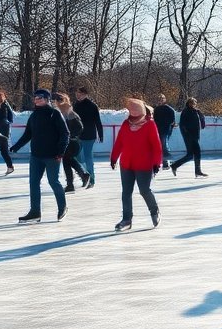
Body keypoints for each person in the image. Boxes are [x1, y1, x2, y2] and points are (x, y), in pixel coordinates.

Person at [10, 88, 70, 224]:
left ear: (47, 99)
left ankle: (62, 207)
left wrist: (60, 152)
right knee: (33, 183)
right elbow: (28, 134)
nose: (37, 100)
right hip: (36, 155)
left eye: (40, 97)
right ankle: (35, 212)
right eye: (35, 98)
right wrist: (16, 146)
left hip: (52, 156)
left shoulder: (54, 114)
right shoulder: (34, 115)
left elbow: (65, 134)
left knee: (53, 181)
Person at [111, 96, 162, 231]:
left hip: (144, 164)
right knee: (126, 192)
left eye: (135, 110)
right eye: (130, 110)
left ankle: (154, 211)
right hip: (127, 164)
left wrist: (157, 163)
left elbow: (156, 146)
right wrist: (114, 157)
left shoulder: (150, 124)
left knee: (144, 190)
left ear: (141, 110)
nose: (132, 113)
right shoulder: (126, 124)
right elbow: (119, 142)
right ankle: (127, 219)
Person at [54, 93, 91, 193]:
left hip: (71, 142)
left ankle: (80, 176)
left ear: (58, 101)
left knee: (67, 161)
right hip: (70, 142)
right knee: (67, 161)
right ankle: (75, 180)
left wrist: (69, 135)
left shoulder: (68, 112)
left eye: (56, 101)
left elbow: (80, 127)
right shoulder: (65, 111)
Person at [170, 97, 207, 177]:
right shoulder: (186, 111)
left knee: (193, 154)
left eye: (194, 103)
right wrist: (187, 135)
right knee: (193, 154)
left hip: (196, 135)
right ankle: (176, 165)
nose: (193, 104)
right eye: (192, 103)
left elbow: (201, 120)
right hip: (189, 136)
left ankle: (176, 165)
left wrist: (202, 119)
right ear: (188, 103)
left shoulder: (196, 111)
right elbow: (182, 125)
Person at [74, 86, 103, 189]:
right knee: (77, 156)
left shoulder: (92, 106)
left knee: (88, 157)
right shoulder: (76, 105)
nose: (78, 95)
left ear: (86, 94)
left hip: (89, 135)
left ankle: (91, 179)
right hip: (78, 135)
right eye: (77, 93)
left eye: (80, 94)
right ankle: (84, 175)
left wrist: (100, 134)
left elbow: (98, 121)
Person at [152, 94, 177, 169]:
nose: (160, 101)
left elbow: (172, 118)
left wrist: (170, 124)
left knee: (164, 144)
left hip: (166, 129)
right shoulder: (156, 109)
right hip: (159, 129)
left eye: (161, 99)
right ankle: (167, 161)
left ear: (164, 100)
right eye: (159, 99)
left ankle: (168, 161)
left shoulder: (168, 108)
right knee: (162, 145)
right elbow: (155, 119)